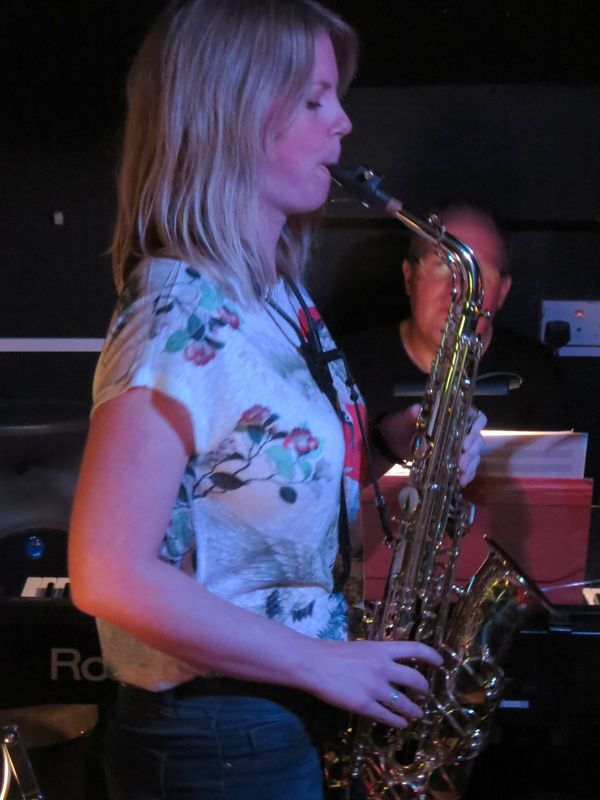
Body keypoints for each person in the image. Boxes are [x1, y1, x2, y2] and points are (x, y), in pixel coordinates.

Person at [67, 3, 484, 799]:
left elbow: (253, 473)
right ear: (229, 113)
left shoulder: (275, 298)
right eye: (315, 98)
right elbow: (107, 572)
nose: (344, 122)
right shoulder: (176, 312)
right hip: (216, 738)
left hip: (266, 720)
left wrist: (399, 442)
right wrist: (321, 663)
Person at [339, 204, 567, 436]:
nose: (459, 290)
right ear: (409, 277)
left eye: (478, 273)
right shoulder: (346, 368)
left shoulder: (536, 374)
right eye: (442, 266)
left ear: (503, 291)